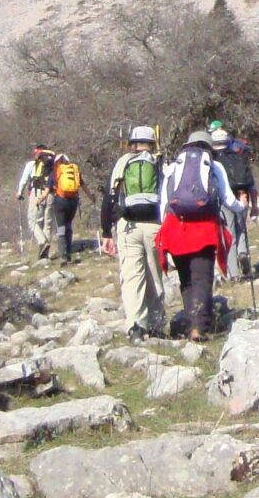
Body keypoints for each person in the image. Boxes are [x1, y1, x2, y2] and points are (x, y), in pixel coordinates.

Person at [156, 126, 235, 341]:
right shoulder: (213, 165)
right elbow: (228, 199)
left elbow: (164, 202)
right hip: (204, 229)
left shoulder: (174, 166)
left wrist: (165, 228)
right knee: (202, 278)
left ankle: (192, 323)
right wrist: (242, 209)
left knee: (186, 280)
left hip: (177, 228)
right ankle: (200, 328)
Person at [99, 125, 167, 337]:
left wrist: (106, 232)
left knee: (131, 278)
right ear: (152, 142)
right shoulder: (160, 163)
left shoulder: (122, 163)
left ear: (132, 143)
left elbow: (109, 198)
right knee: (155, 276)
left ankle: (136, 326)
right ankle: (156, 326)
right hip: (155, 226)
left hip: (127, 226)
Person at [209, 119, 259, 279]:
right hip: (242, 194)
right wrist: (254, 205)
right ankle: (243, 253)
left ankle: (234, 273)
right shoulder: (238, 155)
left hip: (224, 200)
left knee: (228, 234)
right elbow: (251, 184)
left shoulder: (213, 161)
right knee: (241, 228)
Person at [11, 144, 56, 260]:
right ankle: (44, 254)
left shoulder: (31, 165)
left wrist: (19, 193)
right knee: (47, 223)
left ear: (37, 154)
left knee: (33, 221)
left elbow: (24, 180)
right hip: (51, 193)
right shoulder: (53, 165)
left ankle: (42, 242)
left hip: (37, 194)